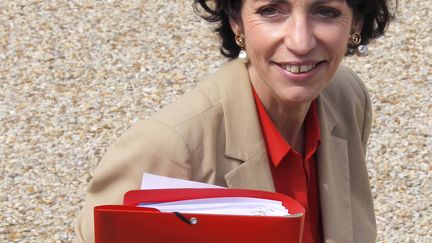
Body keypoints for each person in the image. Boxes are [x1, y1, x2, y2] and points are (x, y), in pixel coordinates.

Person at [74, 0, 394, 242]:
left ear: (357, 22)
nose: (300, 42)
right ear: (236, 21)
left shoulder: (346, 97)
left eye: (326, 11)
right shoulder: (167, 147)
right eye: (271, 10)